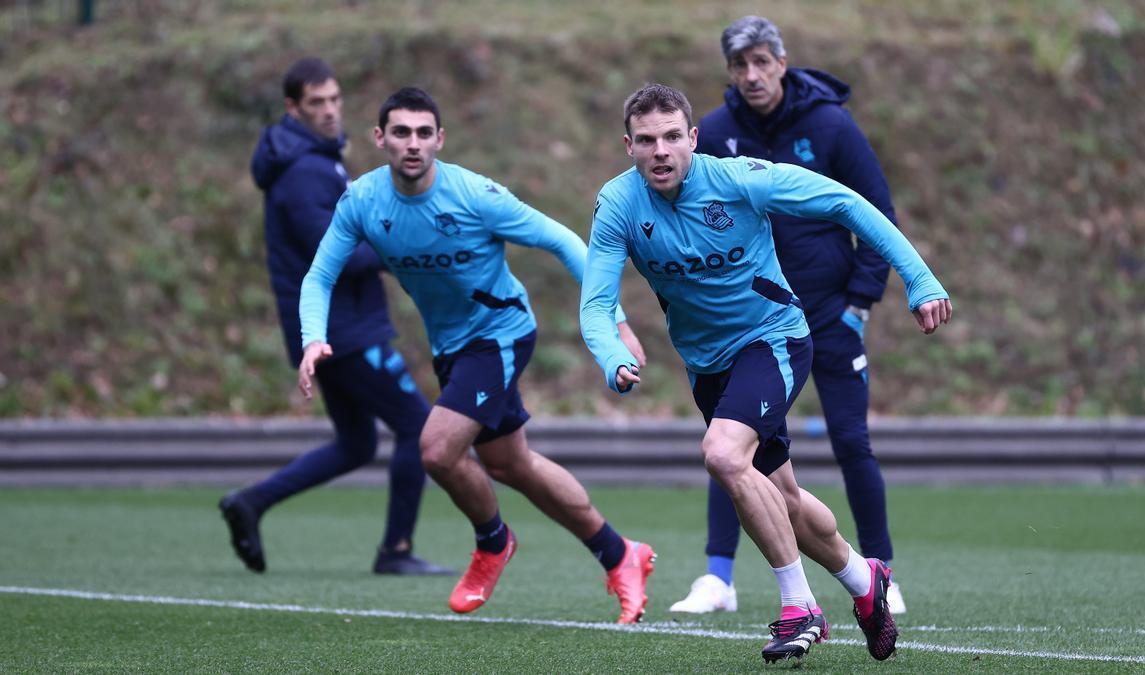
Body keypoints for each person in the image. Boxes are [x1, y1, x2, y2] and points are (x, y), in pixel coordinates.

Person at [580, 84, 951, 663]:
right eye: (647, 140)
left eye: (673, 137)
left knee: (724, 455)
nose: (661, 151)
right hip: (708, 366)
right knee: (787, 503)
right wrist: (611, 356)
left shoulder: (739, 179)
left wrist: (920, 279)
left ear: (693, 139)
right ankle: (863, 579)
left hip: (773, 340)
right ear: (628, 146)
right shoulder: (619, 205)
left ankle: (799, 607)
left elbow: (845, 203)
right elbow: (596, 303)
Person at [296, 87, 655, 623]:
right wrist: (312, 337)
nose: (412, 144)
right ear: (380, 139)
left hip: (502, 333)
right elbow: (320, 274)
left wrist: (615, 320)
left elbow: (565, 241)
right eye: (401, 133)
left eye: (423, 133)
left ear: (440, 139)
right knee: (513, 465)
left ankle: (493, 542)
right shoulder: (363, 201)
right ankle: (620, 553)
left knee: (437, 450)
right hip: (453, 349)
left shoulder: (476, 196)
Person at [672, 15, 908, 616]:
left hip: (829, 315)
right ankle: (717, 578)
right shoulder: (714, 133)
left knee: (852, 441)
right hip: (750, 324)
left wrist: (861, 299)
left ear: (782, 62)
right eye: (739, 65)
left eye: (761, 62)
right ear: (729, 71)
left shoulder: (831, 125)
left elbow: (874, 209)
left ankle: (883, 570)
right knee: (729, 446)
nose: (751, 75)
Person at [219, 57, 452, 577]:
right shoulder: (304, 170)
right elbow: (335, 251)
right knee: (419, 429)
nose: (329, 110)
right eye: (316, 102)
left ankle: (250, 503)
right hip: (342, 332)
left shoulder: (318, 159)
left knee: (357, 442)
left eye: (334, 99)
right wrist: (404, 246)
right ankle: (396, 551)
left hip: (337, 327)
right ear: (293, 108)